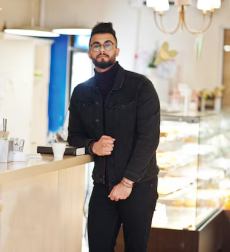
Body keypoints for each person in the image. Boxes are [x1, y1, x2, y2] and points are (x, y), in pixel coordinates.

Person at [67, 22, 160, 252]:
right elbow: (74, 137)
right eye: (96, 45)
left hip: (139, 185)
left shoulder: (140, 87)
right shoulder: (81, 92)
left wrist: (127, 182)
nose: (102, 49)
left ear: (117, 50)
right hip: (102, 186)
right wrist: (92, 146)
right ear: (89, 52)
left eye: (108, 45)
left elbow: (149, 138)